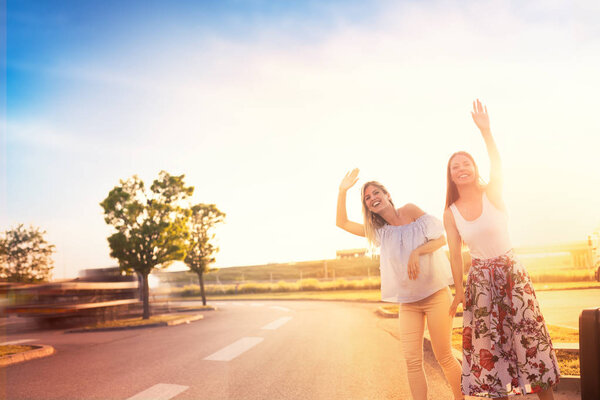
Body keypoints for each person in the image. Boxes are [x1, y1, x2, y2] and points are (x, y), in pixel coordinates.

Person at [444, 99, 560, 399]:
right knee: (491, 349)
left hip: (512, 274)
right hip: (481, 283)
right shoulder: (451, 212)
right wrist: (458, 290)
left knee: (529, 340)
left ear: (474, 168)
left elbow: (498, 164)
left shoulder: (492, 192)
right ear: (451, 176)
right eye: (455, 166)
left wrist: (486, 132)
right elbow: (455, 254)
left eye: (466, 163)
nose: (461, 169)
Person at [337, 169, 463, 400]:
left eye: (376, 192)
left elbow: (441, 238)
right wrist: (342, 191)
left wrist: (417, 251)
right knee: (412, 362)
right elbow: (342, 222)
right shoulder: (378, 233)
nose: (373, 197)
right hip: (408, 303)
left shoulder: (411, 211)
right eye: (367, 197)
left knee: (444, 356)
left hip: (436, 296)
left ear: (387, 195)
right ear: (367, 206)